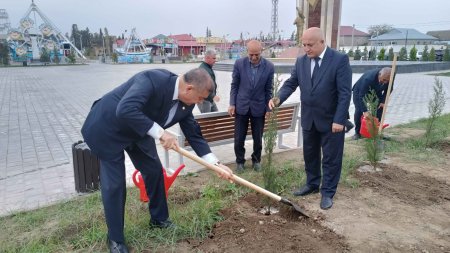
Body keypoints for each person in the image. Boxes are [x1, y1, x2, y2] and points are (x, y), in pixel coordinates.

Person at [81, 68, 233, 253]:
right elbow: (126, 109)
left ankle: (159, 219)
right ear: (189, 89)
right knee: (115, 184)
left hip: (138, 130)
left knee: (154, 171)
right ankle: (115, 239)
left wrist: (215, 164)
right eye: (200, 98)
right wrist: (161, 133)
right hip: (108, 127)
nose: (200, 103)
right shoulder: (152, 80)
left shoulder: (187, 103)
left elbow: (194, 135)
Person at [268, 27, 352, 210]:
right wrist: (279, 97)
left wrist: (339, 119)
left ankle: (328, 192)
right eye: (304, 45)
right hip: (309, 119)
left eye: (310, 45)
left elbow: (345, 93)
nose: (306, 49)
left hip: (332, 121)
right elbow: (291, 83)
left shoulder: (339, 60)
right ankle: (312, 184)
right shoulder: (301, 62)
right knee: (310, 154)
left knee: (331, 158)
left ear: (322, 42)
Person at [228, 40, 274, 173]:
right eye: (251, 54)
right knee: (239, 138)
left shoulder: (269, 67)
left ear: (262, 51)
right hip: (241, 106)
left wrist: (268, 108)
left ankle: (256, 161)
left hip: (259, 107)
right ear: (247, 52)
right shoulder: (239, 64)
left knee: (258, 138)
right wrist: (232, 103)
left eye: (257, 55)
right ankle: (240, 162)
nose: (254, 58)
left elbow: (268, 90)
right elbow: (234, 85)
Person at [351, 67, 393, 140]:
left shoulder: (391, 75)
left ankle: (376, 131)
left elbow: (389, 89)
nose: (385, 82)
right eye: (383, 80)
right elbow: (362, 96)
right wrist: (365, 111)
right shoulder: (368, 79)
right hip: (359, 91)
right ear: (379, 75)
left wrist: (383, 101)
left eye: (387, 81)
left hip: (376, 90)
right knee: (359, 110)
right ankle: (357, 133)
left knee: (380, 108)